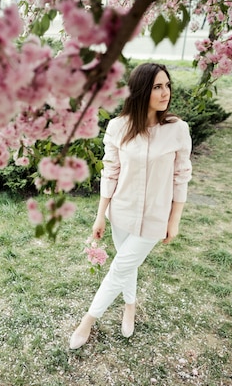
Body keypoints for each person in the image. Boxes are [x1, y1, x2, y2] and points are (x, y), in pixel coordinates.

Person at [69, 63, 192, 349]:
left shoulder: (177, 130)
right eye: (157, 87)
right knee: (128, 266)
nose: (166, 93)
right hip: (120, 213)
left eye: (167, 85)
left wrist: (174, 221)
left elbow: (181, 177)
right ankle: (130, 306)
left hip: (154, 219)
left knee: (119, 268)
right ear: (141, 91)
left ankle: (87, 321)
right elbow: (110, 173)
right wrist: (100, 216)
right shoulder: (118, 127)